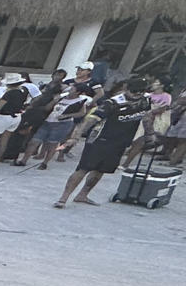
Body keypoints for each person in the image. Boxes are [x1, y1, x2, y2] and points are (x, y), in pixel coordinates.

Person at [56, 76, 151, 208]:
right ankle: (63, 198)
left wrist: (150, 133)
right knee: (83, 169)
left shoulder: (145, 100)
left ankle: (82, 195)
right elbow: (90, 120)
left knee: (101, 170)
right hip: (99, 140)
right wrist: (75, 137)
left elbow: (147, 117)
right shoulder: (113, 103)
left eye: (141, 91)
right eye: (135, 91)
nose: (138, 94)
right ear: (126, 88)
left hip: (120, 142)